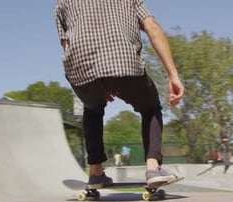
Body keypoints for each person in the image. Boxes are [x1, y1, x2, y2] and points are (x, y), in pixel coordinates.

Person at [55, 0, 184, 188]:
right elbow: (152, 27)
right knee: (151, 107)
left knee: (92, 109)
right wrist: (173, 74)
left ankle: (95, 172)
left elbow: (65, 44)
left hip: (80, 68)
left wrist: (97, 77)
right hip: (123, 61)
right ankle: (153, 167)